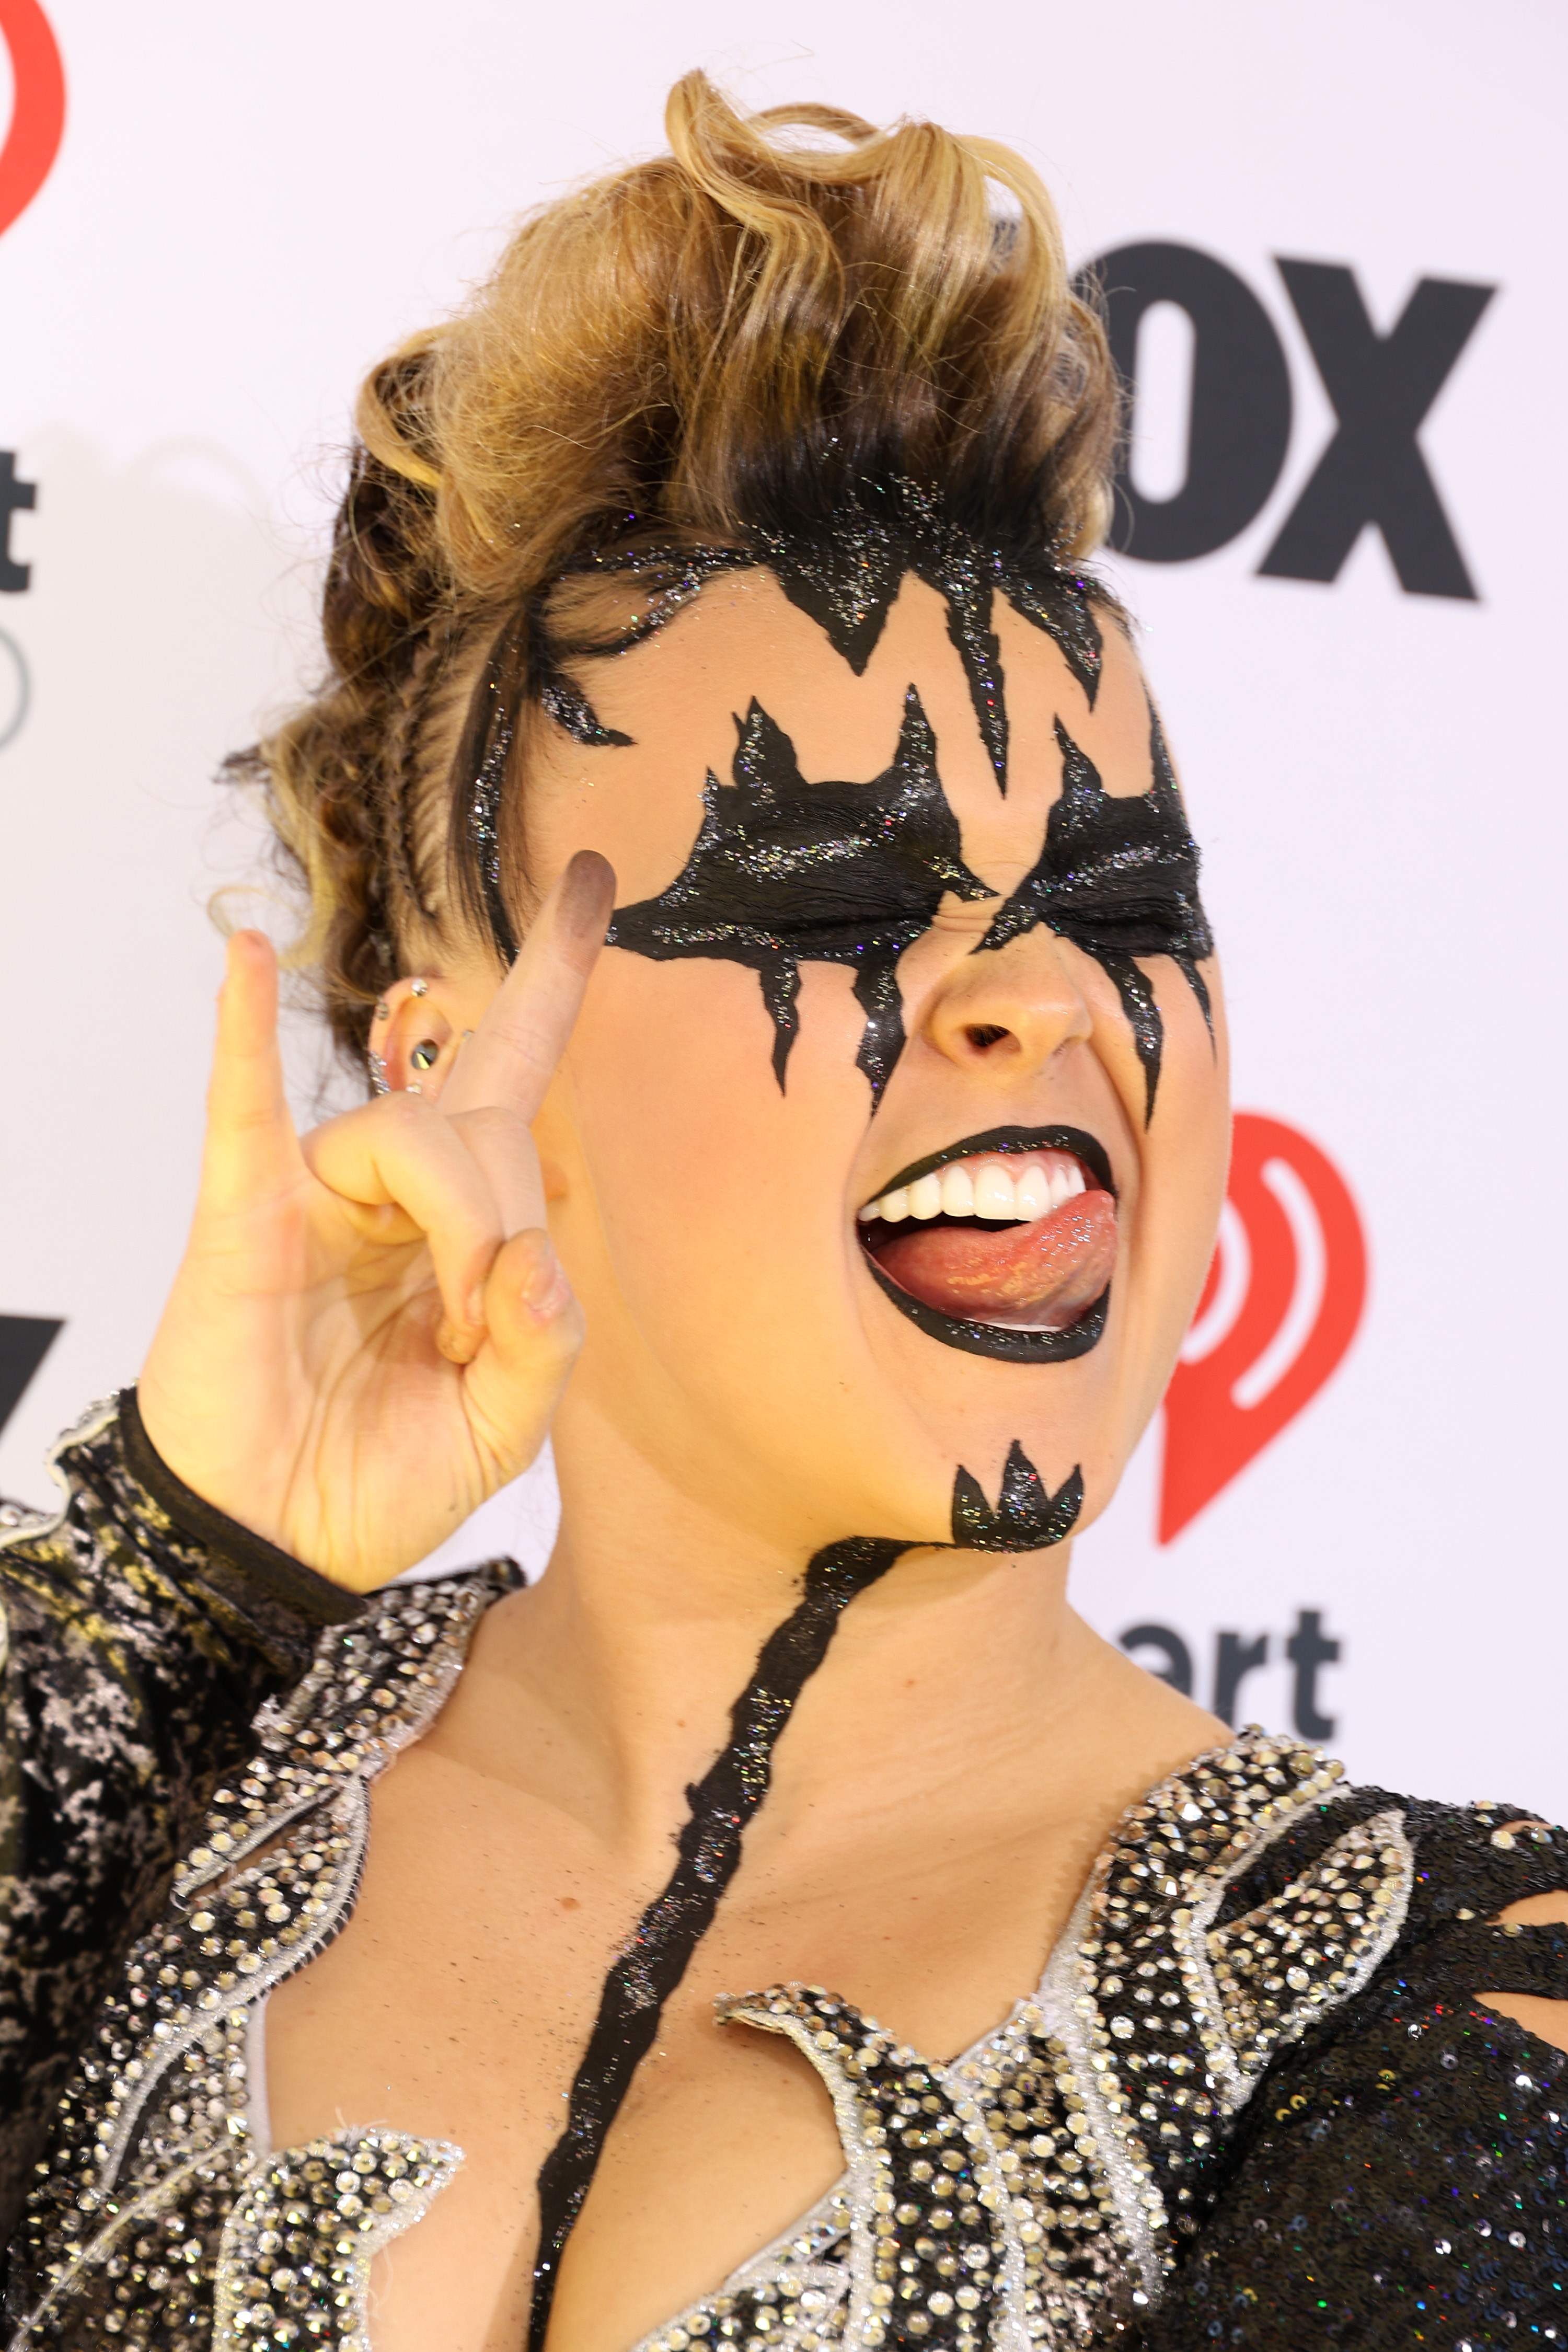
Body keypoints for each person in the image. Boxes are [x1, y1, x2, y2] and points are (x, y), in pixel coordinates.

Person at [1, 73, 1564, 2352]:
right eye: (835, 891)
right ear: (459, 1077)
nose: (1039, 997)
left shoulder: (1465, 1994)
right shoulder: (146, 1791)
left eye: (1125, 895)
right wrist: (171, 1563)